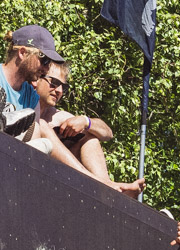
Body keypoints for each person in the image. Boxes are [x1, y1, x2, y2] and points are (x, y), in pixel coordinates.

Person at [25, 63, 143, 196]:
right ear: (36, 79)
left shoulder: (57, 116)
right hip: (26, 170)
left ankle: (108, 188)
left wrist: (86, 121)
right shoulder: (21, 100)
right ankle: (105, 186)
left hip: (56, 179)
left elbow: (108, 134)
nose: (59, 91)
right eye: (54, 83)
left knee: (89, 137)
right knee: (41, 124)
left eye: (64, 86)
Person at [0, 25, 63, 126]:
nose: (47, 68)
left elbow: (32, 137)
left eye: (49, 63)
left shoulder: (32, 98)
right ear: (22, 53)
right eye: (44, 60)